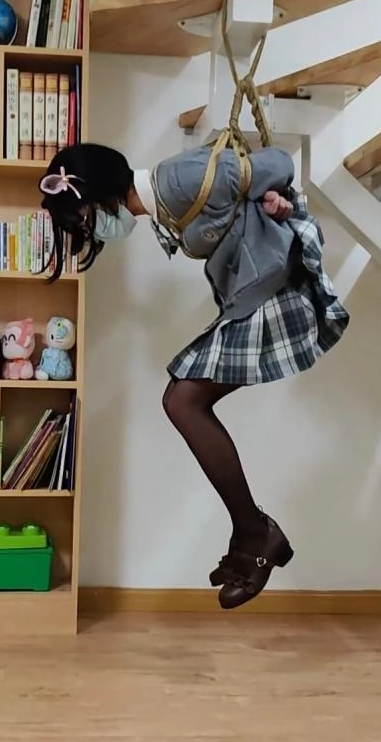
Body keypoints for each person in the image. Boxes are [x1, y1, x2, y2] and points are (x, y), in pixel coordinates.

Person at [39, 141, 349, 610]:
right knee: (182, 401)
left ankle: (254, 532)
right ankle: (250, 533)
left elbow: (278, 161)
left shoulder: (176, 179)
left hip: (271, 292)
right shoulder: (162, 205)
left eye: (83, 215)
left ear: (100, 192)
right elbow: (239, 201)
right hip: (255, 292)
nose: (88, 226)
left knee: (182, 401)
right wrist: (268, 200)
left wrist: (275, 192)